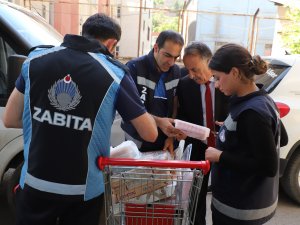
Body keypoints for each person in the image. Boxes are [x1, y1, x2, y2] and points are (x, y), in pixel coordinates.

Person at [2, 13, 158, 225]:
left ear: (84, 32)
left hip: (35, 184)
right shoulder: (114, 73)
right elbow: (149, 132)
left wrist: (51, 120)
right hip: (82, 192)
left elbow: (10, 118)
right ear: (112, 44)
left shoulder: (35, 60)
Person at [205, 43, 288, 225]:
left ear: (234, 72)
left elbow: (268, 166)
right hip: (246, 204)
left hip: (240, 211)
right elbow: (281, 138)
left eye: (218, 78)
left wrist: (220, 156)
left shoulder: (252, 112)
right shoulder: (262, 98)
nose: (216, 84)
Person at [176, 41, 229, 225]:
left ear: (210, 62)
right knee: (195, 197)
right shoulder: (184, 85)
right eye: (187, 70)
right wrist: (181, 131)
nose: (191, 75)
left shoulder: (226, 82)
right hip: (199, 148)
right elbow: (184, 116)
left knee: (224, 198)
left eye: (195, 69)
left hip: (226, 150)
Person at [121, 30, 184, 153]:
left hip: (166, 142)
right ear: (156, 48)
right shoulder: (134, 68)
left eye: (176, 57)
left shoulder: (176, 71)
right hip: (137, 141)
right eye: (167, 55)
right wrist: (159, 122)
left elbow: (175, 105)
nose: (171, 62)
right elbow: (127, 108)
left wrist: (171, 137)